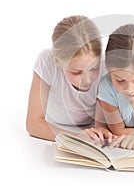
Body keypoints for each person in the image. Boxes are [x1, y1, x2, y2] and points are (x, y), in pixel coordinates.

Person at [26, 15, 113, 143]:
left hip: (89, 128)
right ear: (58, 61)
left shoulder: (106, 65)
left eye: (94, 68)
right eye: (76, 72)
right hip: (54, 126)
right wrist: (77, 138)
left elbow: (103, 122)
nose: (87, 80)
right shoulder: (47, 61)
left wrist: (102, 131)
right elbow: (33, 123)